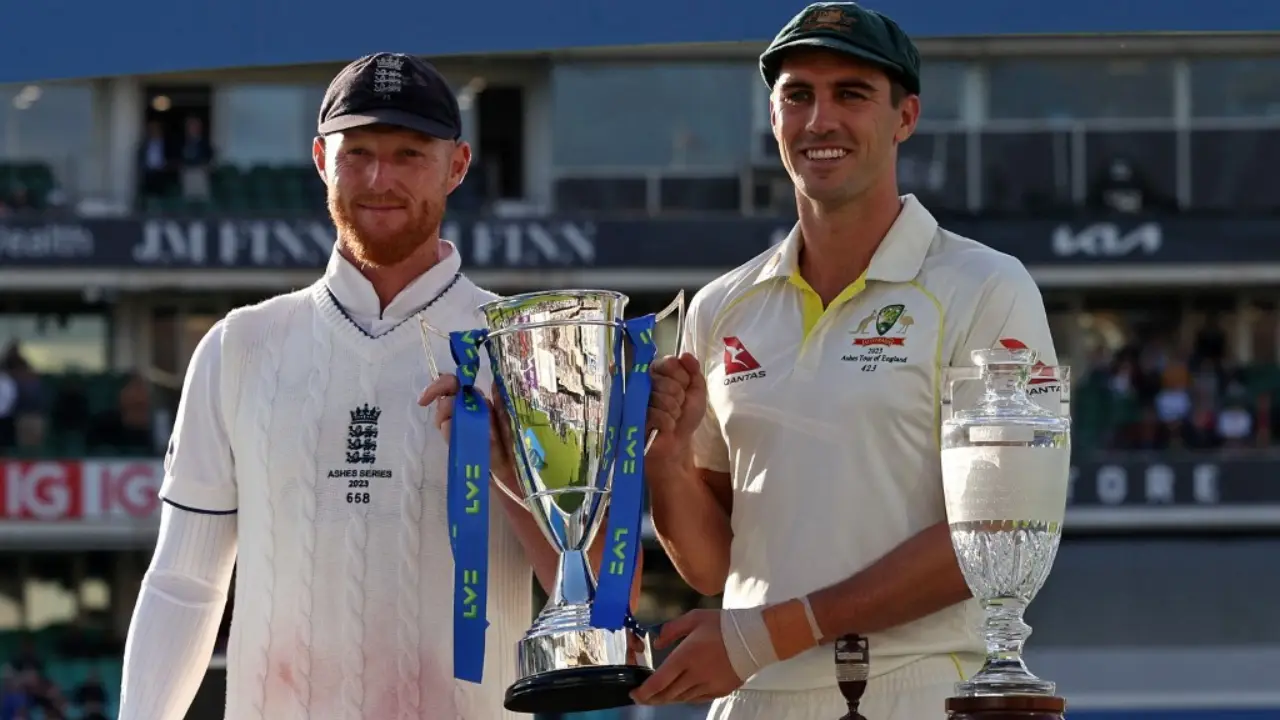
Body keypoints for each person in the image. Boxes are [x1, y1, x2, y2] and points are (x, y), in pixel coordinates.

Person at [631, 3, 1059, 719]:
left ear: (906, 116)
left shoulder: (986, 286)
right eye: (797, 95)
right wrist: (666, 464)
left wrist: (763, 635)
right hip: (754, 694)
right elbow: (710, 566)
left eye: (851, 94)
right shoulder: (720, 307)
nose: (819, 119)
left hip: (920, 687)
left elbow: (990, 540)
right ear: (773, 117)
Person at [118, 52, 575, 719]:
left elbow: (590, 592)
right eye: (356, 151)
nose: (379, 177)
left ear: (458, 166)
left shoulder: (530, 350)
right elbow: (185, 581)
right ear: (319, 159)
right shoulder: (239, 345)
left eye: (408, 153)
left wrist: (510, 469)